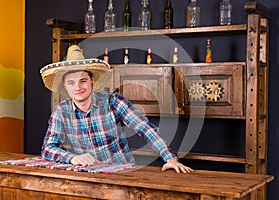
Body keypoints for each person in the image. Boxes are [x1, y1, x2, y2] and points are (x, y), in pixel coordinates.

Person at [40, 45, 193, 173]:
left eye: (83, 80)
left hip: (121, 173)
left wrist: (170, 158)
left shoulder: (113, 102)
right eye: (71, 83)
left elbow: (146, 129)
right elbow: (47, 148)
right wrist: (71, 158)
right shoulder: (61, 112)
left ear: (92, 81)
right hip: (88, 176)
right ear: (65, 86)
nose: (78, 87)